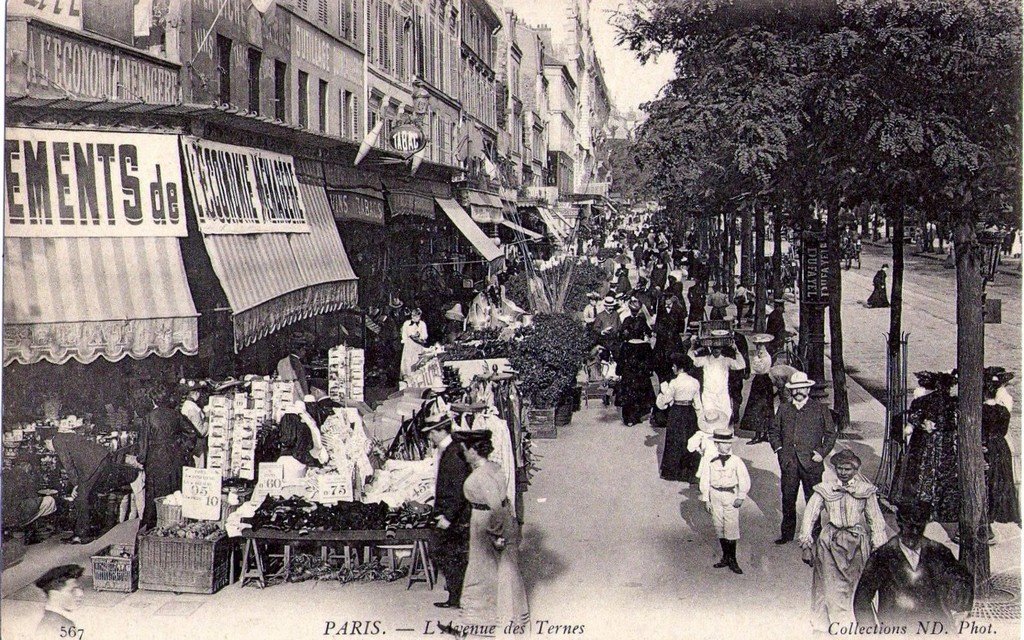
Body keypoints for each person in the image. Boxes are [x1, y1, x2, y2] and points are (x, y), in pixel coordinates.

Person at [799, 449, 889, 632]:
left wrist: (879, 549)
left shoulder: (866, 491)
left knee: (856, 586)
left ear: (855, 470)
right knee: (828, 587)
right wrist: (806, 545)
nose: (843, 472)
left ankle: (854, 625)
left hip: (856, 544)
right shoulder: (825, 489)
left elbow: (876, 520)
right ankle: (826, 626)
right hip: (829, 543)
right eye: (840, 468)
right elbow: (810, 515)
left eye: (848, 469)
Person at [453, 430, 530, 633]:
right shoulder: (494, 467)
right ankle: (504, 619)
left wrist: (496, 534)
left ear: (473, 451)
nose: (463, 454)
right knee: (499, 571)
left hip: (486, 523)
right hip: (494, 520)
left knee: (484, 571)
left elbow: (495, 505)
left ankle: (485, 622)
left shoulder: (481, 476)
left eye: (464, 450)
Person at [853, 502, 974, 628]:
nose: (915, 532)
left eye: (919, 526)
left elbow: (962, 582)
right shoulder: (881, 557)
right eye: (909, 526)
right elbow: (862, 601)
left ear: (925, 523)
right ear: (899, 522)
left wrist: (961, 609)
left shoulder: (940, 553)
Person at [769, 371, 837, 545]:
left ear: (808, 389)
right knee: (788, 499)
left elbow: (831, 434)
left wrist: (821, 453)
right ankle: (787, 534)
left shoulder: (820, 409)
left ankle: (815, 533)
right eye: (795, 388)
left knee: (813, 500)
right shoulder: (784, 409)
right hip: (789, 463)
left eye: (802, 388)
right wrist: (780, 450)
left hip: (812, 464)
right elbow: (774, 431)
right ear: (791, 390)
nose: (798, 391)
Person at [890, 371, 960, 528]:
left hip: (923, 445)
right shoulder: (953, 403)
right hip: (945, 446)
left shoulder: (921, 402)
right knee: (943, 475)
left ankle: (923, 508)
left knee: (921, 475)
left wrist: (907, 429)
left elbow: (908, 429)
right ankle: (941, 509)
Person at [51, 429, 140, 543]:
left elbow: (67, 463)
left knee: (80, 497)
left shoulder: (57, 441)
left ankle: (82, 535)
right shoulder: (65, 435)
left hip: (93, 464)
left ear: (47, 441)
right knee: (89, 495)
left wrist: (76, 484)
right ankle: (91, 528)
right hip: (101, 458)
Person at [424, 418, 471, 609]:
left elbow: (459, 488)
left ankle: (456, 597)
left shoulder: (454, 452)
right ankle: (455, 596)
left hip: (454, 516)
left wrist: (448, 516)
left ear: (442, 431)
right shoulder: (449, 450)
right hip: (448, 513)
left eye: (432, 432)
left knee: (447, 554)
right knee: (447, 554)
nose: (430, 436)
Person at [138, 388, 196, 531]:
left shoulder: (149, 417)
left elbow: (143, 443)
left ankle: (150, 529)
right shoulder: (176, 415)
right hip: (175, 458)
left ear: (153, 400)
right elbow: (192, 433)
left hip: (155, 460)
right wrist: (182, 448)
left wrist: (141, 459)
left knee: (153, 498)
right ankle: (175, 527)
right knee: (174, 495)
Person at [699, 428, 750, 575]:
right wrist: (706, 498)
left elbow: (744, 479)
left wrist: (741, 496)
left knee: (731, 526)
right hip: (715, 495)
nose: (727, 446)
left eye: (729, 443)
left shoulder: (736, 461)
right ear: (716, 444)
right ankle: (725, 557)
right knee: (719, 525)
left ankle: (733, 559)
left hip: (730, 496)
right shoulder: (710, 461)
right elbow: (705, 480)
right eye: (723, 443)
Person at [656, 353, 704, 483]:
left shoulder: (674, 382)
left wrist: (663, 391)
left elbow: (665, 401)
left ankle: (673, 472)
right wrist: (701, 419)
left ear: (679, 367)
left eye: (674, 366)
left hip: (676, 412)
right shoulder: (695, 382)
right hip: (689, 412)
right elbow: (697, 403)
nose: (672, 368)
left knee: (675, 440)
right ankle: (689, 472)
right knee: (689, 439)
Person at [982, 368, 1020, 529]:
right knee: (1003, 476)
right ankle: (1003, 511)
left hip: (988, 445)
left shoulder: (982, 411)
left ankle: (989, 510)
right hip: (1001, 444)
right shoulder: (1003, 410)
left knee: (990, 477)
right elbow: (1003, 431)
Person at [688, 338, 746, 430]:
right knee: (710, 419)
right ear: (711, 348)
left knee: (725, 417)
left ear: (721, 348)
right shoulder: (705, 359)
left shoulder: (726, 360)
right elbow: (691, 360)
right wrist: (693, 348)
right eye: (714, 348)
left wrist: (736, 350)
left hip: (722, 395)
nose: (716, 350)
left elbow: (741, 365)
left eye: (718, 348)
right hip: (709, 395)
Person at [618, 298, 655, 427]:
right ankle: (637, 415)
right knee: (639, 386)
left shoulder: (627, 321)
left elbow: (621, 335)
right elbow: (649, 332)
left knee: (630, 388)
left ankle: (630, 417)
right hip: (639, 353)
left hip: (630, 353)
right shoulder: (640, 321)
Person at [2, 454, 57, 540]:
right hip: (17, 513)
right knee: (50, 501)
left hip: (4, 513)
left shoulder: (6, 473)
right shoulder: (23, 474)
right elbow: (32, 495)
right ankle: (34, 528)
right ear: (27, 465)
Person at [742, 335, 776, 444]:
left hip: (764, 380)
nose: (759, 348)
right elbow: (754, 369)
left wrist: (758, 360)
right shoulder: (757, 356)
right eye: (758, 345)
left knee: (765, 407)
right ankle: (757, 434)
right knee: (756, 407)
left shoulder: (767, 357)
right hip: (758, 381)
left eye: (761, 345)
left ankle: (765, 434)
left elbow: (760, 369)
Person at [34, 564, 85, 638]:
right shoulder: (63, 625)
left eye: (80, 589)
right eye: (72, 590)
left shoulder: (48, 621)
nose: (80, 593)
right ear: (54, 594)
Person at [179, 383, 207, 468]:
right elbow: (201, 431)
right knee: (199, 467)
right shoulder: (193, 408)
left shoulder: (186, 406)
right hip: (197, 444)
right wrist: (208, 419)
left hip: (188, 442)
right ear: (196, 393)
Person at [400, 308, 429, 382]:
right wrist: (408, 339)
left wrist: (419, 336)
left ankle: (418, 379)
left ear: (420, 316)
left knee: (417, 361)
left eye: (416, 316)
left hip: (418, 345)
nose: (414, 318)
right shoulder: (406, 323)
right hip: (409, 345)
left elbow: (425, 335)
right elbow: (404, 335)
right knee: (407, 361)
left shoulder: (422, 324)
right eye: (413, 316)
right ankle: (407, 378)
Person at [728, 332, 750, 426]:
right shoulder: (721, 336)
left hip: (737, 372)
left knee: (736, 393)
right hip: (725, 370)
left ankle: (735, 412)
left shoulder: (740, 337)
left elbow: (745, 354)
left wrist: (747, 370)